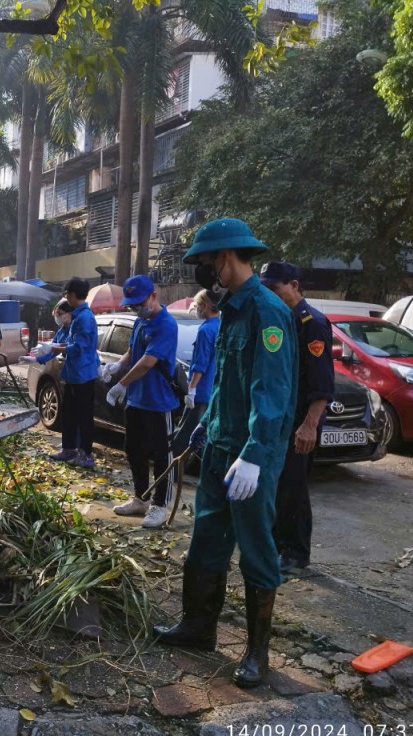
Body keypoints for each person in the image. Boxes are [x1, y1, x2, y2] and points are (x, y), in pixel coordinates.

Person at [152, 218, 296, 689]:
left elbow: (269, 391)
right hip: (219, 450)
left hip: (251, 458)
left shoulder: (267, 311)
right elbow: (227, 385)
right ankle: (198, 628)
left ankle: (258, 653)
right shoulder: (231, 310)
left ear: (228, 257)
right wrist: (202, 430)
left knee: (256, 548)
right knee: (206, 541)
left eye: (208, 260)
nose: (205, 269)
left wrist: (255, 453)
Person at [260, 261, 334, 573]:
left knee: (292, 486)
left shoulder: (311, 323)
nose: (271, 294)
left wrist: (309, 425)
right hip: (280, 418)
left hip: (300, 420)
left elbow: (321, 382)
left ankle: (296, 552)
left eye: (275, 288)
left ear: (293, 285)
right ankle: (277, 545)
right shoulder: (278, 319)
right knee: (277, 486)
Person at [102, 275, 179, 529]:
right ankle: (141, 498)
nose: (136, 308)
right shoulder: (140, 321)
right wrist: (117, 366)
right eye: (132, 304)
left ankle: (159, 505)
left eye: (139, 303)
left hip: (158, 402)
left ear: (153, 296)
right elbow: (133, 352)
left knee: (161, 455)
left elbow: (147, 361)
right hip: (136, 400)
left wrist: (121, 384)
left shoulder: (165, 324)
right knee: (133, 450)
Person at [43, 277, 100, 468]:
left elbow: (77, 347)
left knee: (84, 416)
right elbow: (67, 342)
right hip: (73, 373)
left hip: (83, 374)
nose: (66, 298)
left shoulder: (84, 318)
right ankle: (69, 449)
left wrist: (53, 349)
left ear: (72, 295)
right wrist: (47, 350)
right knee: (68, 412)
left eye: (67, 294)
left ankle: (86, 454)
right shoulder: (77, 315)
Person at [171, 289, 221, 459]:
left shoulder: (205, 330)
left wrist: (191, 389)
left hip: (201, 392)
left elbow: (200, 364)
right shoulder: (221, 326)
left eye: (199, 305)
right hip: (215, 391)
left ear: (206, 305)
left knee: (185, 433)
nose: (197, 309)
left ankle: (174, 470)